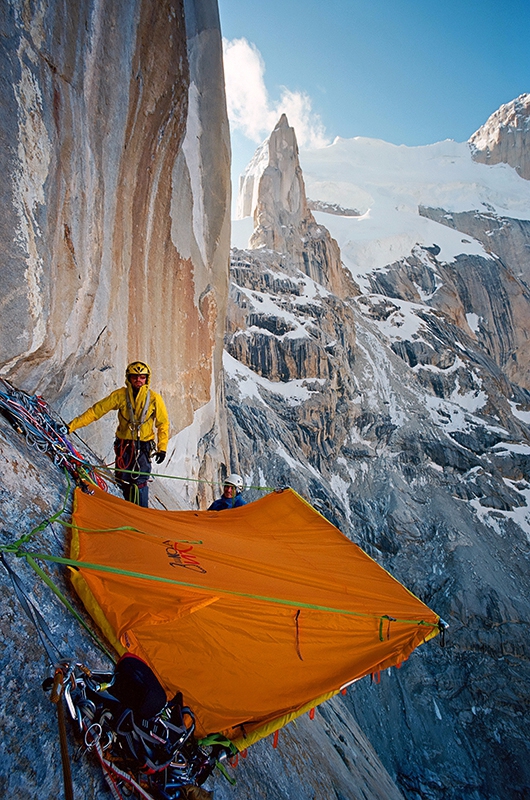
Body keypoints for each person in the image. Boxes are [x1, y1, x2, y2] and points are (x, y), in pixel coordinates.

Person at [68, 361, 169, 507]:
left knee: (141, 481)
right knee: (122, 479)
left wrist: (162, 448)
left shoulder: (154, 399)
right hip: (124, 446)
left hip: (143, 446)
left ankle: (142, 514)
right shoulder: (120, 395)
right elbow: (96, 411)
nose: (138, 380)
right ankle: (124, 511)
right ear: (129, 377)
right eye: (135, 377)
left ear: (147, 379)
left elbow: (163, 424)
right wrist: (71, 427)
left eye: (142, 377)